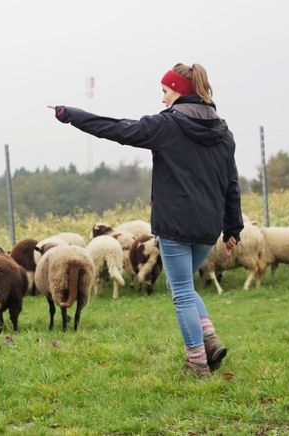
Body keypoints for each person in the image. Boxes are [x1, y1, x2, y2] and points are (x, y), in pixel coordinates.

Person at [49, 63, 243, 378]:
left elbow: (117, 128)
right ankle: (209, 340)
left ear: (179, 90)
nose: (163, 99)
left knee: (180, 290)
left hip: (176, 222)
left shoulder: (167, 125)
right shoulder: (223, 132)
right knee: (184, 284)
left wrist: (70, 114)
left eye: (165, 92)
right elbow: (231, 183)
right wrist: (234, 228)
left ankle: (197, 364)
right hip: (208, 226)